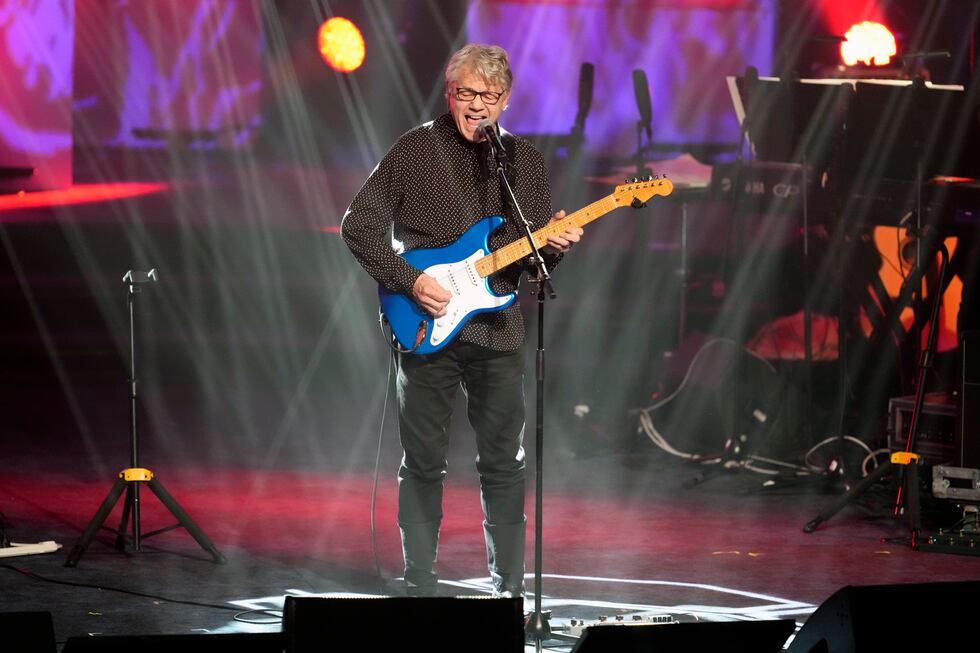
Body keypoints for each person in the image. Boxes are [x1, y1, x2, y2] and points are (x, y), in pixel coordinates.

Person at [341, 43, 582, 597]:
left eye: (489, 96)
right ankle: (420, 586)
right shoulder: (414, 150)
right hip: (424, 326)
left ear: (506, 100)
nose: (478, 105)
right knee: (423, 462)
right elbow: (359, 226)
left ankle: (509, 593)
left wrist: (557, 245)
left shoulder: (524, 162)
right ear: (450, 94)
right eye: (468, 93)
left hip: (497, 330)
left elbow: (534, 257)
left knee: (504, 463)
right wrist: (409, 281)